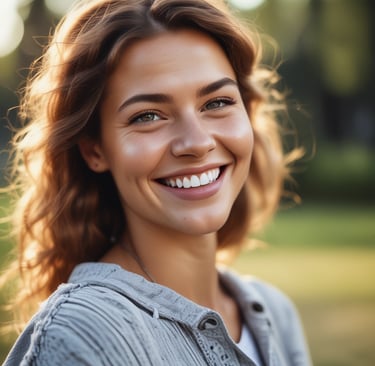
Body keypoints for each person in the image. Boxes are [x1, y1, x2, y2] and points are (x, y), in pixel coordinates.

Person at [2, 0, 311, 365]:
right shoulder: (84, 332)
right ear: (95, 150)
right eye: (148, 116)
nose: (196, 143)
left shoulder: (275, 313)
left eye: (217, 102)